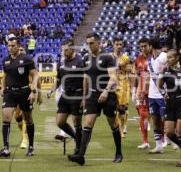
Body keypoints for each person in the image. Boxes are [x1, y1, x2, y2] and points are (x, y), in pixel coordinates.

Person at [68, 33, 123, 165]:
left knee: (113, 124)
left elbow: (113, 77)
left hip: (107, 95)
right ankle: (81, 155)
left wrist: (105, 91)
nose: (89, 45)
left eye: (92, 43)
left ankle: (119, 152)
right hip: (92, 95)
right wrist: (84, 97)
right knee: (88, 124)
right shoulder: (86, 58)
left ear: (99, 43)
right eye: (87, 43)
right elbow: (86, 79)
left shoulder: (107, 57)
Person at [0, 37, 38, 157]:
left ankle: (31, 147)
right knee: (6, 117)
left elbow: (35, 75)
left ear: (18, 46)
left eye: (13, 46)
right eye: (9, 46)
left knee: (28, 119)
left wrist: (34, 91)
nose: (10, 48)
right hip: (10, 93)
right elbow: (5, 76)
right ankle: (6, 148)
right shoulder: (5, 60)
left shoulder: (26, 59)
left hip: (24, 92)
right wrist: (3, 88)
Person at [47, 39, 84, 155]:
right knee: (60, 122)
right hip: (65, 95)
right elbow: (58, 79)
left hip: (77, 94)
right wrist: (51, 90)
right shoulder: (61, 62)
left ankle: (78, 149)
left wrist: (84, 97)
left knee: (77, 122)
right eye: (62, 50)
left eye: (66, 50)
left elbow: (86, 80)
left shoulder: (80, 61)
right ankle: (77, 138)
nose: (64, 52)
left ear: (72, 48)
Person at [146, 38, 167, 154]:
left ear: (151, 46)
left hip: (163, 95)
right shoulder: (150, 60)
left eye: (146, 46)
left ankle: (171, 139)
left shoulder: (164, 57)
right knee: (155, 120)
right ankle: (159, 145)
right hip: (152, 95)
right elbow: (151, 76)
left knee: (165, 119)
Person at [132, 38, 151, 149]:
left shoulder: (154, 58)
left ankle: (163, 139)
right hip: (142, 91)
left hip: (154, 91)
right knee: (143, 115)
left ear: (150, 46)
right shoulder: (138, 59)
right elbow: (138, 76)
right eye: (141, 46)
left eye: (145, 46)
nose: (143, 48)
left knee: (159, 116)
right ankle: (145, 141)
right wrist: (135, 90)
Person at [112, 37, 131, 138]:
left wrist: (128, 69)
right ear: (113, 45)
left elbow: (129, 70)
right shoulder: (110, 57)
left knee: (122, 107)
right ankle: (119, 127)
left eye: (120, 44)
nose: (119, 46)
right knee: (114, 107)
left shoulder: (126, 58)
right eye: (117, 44)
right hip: (113, 83)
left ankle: (122, 127)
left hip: (123, 83)